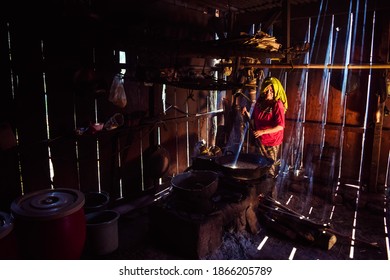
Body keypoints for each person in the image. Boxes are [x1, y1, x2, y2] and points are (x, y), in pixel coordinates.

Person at [242, 76, 288, 179]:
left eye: (271, 91)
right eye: (267, 90)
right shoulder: (260, 102)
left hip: (272, 141)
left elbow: (280, 126)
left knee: (269, 167)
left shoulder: (277, 104)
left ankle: (269, 191)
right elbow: (252, 117)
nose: (268, 93)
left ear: (275, 92)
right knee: (259, 165)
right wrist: (246, 113)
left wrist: (263, 131)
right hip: (260, 139)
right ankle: (259, 190)